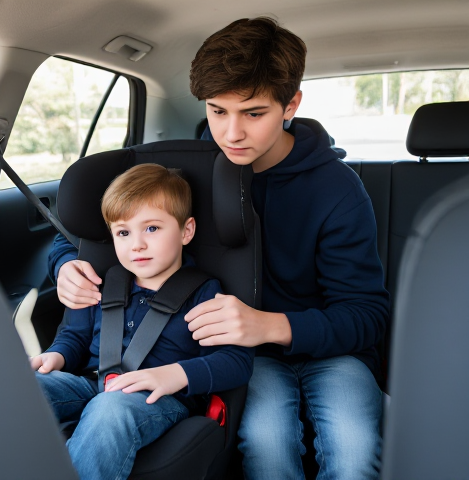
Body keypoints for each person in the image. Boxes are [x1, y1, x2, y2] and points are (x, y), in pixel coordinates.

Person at [48, 17, 390, 480]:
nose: (231, 134)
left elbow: (367, 316)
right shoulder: (189, 167)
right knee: (268, 445)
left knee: (353, 449)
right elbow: (93, 228)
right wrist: (65, 263)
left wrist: (269, 325)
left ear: (290, 105)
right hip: (246, 358)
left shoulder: (337, 190)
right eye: (217, 111)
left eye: (253, 113)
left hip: (331, 353)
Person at [33, 163, 253, 480]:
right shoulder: (102, 282)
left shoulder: (205, 293)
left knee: (109, 410)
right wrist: (56, 355)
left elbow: (235, 361)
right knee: (19, 387)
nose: (136, 244)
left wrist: (176, 374)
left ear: (186, 231)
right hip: (92, 384)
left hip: (159, 401)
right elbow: (74, 338)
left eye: (151, 228)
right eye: (123, 232)